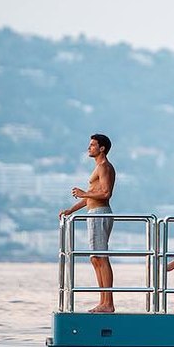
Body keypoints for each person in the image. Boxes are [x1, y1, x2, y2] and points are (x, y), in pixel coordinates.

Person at [59, 134, 116, 313]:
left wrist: (84, 194)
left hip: (100, 213)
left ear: (102, 148)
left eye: (92, 145)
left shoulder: (104, 166)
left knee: (101, 257)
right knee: (95, 258)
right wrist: (71, 210)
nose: (89, 148)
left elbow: (106, 193)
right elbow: (90, 196)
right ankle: (103, 301)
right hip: (93, 213)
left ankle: (108, 303)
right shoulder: (97, 168)